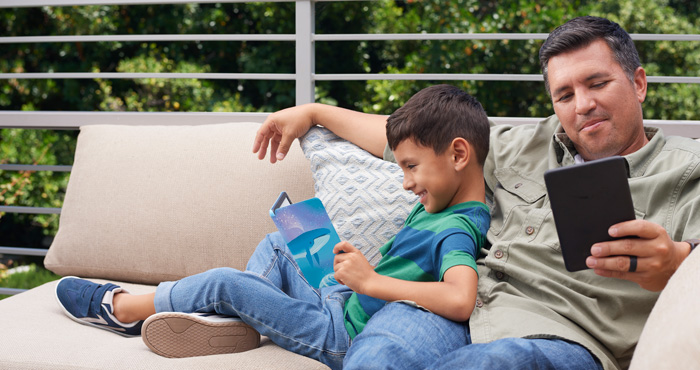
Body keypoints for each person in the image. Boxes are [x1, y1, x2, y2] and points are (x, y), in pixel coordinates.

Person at [253, 16, 700, 370]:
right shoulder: (522, 145)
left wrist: (678, 261)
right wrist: (312, 112)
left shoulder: (687, 170)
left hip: (563, 337)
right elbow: (413, 142)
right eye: (564, 94)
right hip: (456, 307)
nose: (582, 105)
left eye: (597, 83)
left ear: (638, 83)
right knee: (377, 356)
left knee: (489, 364)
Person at [55, 85, 492, 370]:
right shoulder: (445, 199)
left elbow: (460, 297)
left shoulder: (457, 226)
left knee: (228, 284)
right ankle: (233, 325)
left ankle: (125, 309)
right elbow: (390, 138)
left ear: (458, 155)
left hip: (344, 334)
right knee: (283, 239)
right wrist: (313, 111)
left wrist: (372, 280)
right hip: (345, 302)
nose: (406, 182)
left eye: (411, 168)